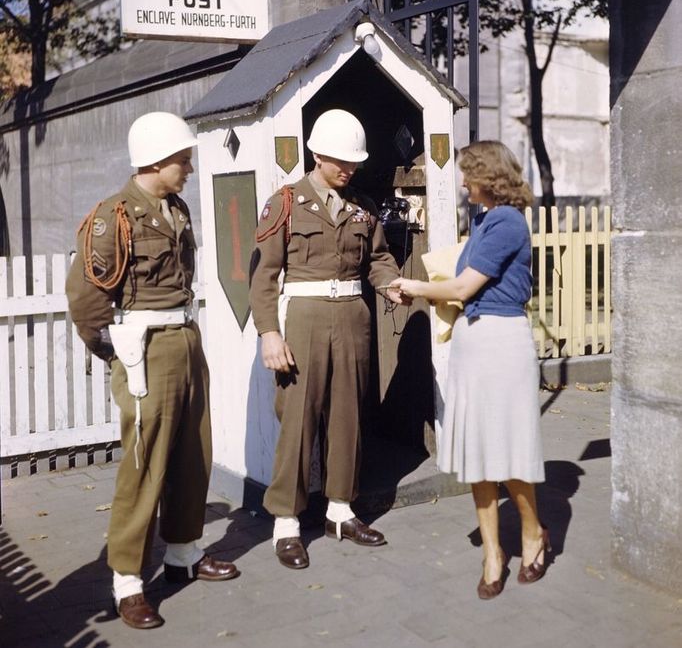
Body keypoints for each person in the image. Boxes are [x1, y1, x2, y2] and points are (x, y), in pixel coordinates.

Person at [66, 112, 239, 630]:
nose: (187, 168)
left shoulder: (175, 208)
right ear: (156, 160)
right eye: (182, 160)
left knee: (193, 453)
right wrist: (116, 354)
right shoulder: (113, 217)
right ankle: (127, 581)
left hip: (184, 339)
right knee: (144, 465)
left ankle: (184, 553)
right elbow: (86, 301)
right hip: (145, 349)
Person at [390, 140, 549, 599]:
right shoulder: (482, 219)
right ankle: (493, 554)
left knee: (507, 450)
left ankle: (534, 533)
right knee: (480, 454)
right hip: (473, 342)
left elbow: (463, 285)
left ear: (487, 176)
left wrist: (413, 286)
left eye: (467, 173)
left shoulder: (505, 222)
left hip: (501, 342)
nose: (462, 182)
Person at [249, 109, 407, 569]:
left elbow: (376, 258)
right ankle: (287, 522)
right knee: (297, 420)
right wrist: (269, 333)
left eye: (353, 162)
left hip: (353, 319)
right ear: (317, 154)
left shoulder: (362, 207)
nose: (349, 169)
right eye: (341, 161)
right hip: (304, 320)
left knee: (348, 417)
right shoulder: (284, 204)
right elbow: (264, 276)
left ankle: (340, 509)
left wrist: (391, 283)